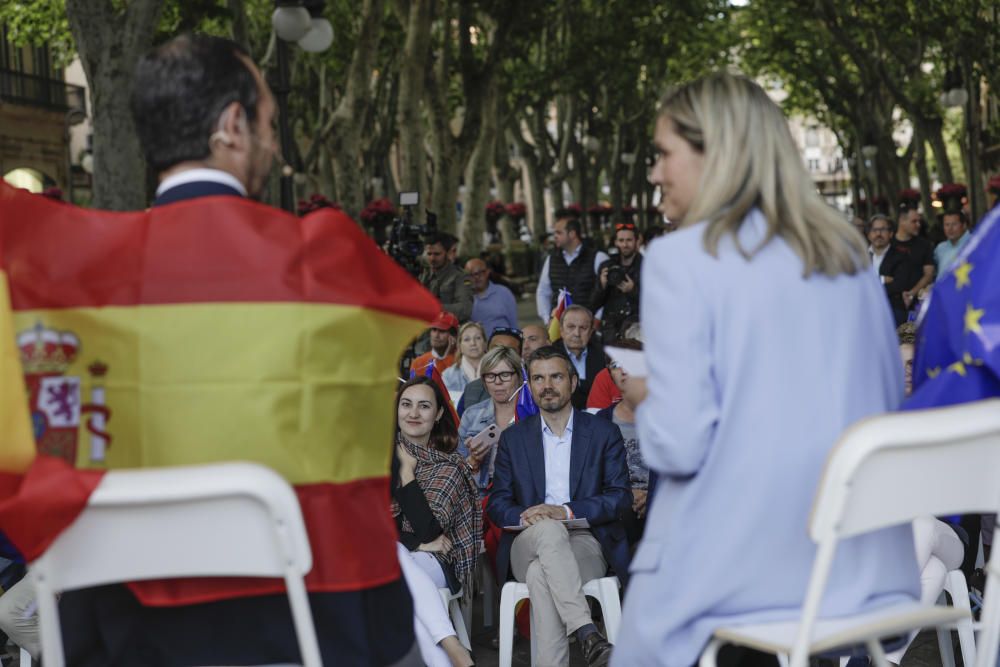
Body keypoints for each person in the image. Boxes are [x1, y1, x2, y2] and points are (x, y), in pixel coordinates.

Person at [49, 33, 420, 666]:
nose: (275, 147)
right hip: (304, 632)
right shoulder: (322, 269)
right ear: (231, 126)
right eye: (270, 123)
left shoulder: (69, 291)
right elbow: (364, 473)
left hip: (122, 642)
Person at [613, 73, 919, 667]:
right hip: (862, 575)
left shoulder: (680, 257)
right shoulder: (847, 256)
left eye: (663, 155)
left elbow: (677, 448)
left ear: (715, 154)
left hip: (737, 581)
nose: (653, 174)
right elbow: (881, 404)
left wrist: (650, 394)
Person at [487, 346, 630, 667]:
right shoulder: (514, 438)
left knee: (541, 576)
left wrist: (564, 511)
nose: (546, 385)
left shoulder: (603, 433)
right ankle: (587, 633)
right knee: (547, 532)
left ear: (573, 381)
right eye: (538, 378)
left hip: (585, 540)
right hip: (528, 540)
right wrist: (527, 514)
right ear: (530, 384)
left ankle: (583, 639)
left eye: (555, 376)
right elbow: (498, 502)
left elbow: (620, 496)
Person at [392, 377, 480, 667]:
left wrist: (407, 475)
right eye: (406, 405)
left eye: (424, 406)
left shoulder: (449, 467)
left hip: (435, 563)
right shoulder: (371, 461)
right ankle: (450, 647)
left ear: (439, 414)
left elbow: (430, 529)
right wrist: (413, 542)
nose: (413, 413)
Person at [595, 339, 649, 545]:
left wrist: (650, 496)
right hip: (618, 505)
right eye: (616, 365)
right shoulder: (601, 421)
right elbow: (595, 473)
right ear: (610, 374)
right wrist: (625, 495)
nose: (624, 370)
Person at [456, 345, 524, 494]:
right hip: (480, 495)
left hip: (523, 496)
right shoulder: (471, 415)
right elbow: (456, 473)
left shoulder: (532, 414)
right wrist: (474, 461)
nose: (497, 382)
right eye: (490, 376)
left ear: (518, 376)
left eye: (505, 374)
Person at [536, 215, 609, 324]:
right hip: (559, 328)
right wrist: (547, 319)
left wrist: (597, 318)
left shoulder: (598, 257)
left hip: (589, 327)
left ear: (572, 234)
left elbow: (608, 293)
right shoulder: (551, 259)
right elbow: (543, 292)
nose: (554, 236)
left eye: (559, 233)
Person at [880, 204, 935, 325]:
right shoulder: (887, 244)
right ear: (902, 221)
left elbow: (929, 274)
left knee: (910, 340)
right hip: (889, 306)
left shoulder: (924, 245)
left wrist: (912, 293)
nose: (918, 225)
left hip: (916, 305)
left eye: (919, 221)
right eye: (914, 221)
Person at [591, 222, 642, 342]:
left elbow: (655, 303)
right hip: (610, 331)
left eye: (629, 240)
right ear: (616, 242)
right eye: (621, 240)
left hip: (637, 330)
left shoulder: (647, 266)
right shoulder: (607, 266)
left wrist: (633, 290)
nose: (625, 244)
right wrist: (601, 286)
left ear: (636, 241)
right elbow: (593, 305)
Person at [455, 326, 523, 416]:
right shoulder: (471, 390)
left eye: (509, 351)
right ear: (487, 352)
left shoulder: (531, 392)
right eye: (496, 349)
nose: (501, 355)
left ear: (520, 356)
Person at [555, 305, 604, 410]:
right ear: (561, 330)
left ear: (591, 332)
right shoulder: (550, 356)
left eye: (583, 328)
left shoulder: (603, 354)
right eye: (571, 327)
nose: (577, 333)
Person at [421, 233, 473, 322]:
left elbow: (465, 310)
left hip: (447, 330)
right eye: (429, 254)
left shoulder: (461, 276)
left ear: (448, 253)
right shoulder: (422, 274)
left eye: (437, 254)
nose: (432, 258)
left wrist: (432, 307)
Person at [465, 258, 518, 337]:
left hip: (503, 345)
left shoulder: (503, 292)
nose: (477, 277)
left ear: (487, 272)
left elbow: (514, 324)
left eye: (480, 273)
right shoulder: (464, 298)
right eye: (471, 274)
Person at [442, 321, 486, 396]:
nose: (473, 343)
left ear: (485, 343)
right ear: (459, 346)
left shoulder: (496, 371)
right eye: (467, 339)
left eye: (478, 338)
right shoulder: (448, 375)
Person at [411, 311, 459, 376]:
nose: (436, 335)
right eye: (434, 329)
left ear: (453, 336)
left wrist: (447, 356)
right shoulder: (418, 363)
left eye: (442, 331)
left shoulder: (462, 361)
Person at [934, 210, 971, 279]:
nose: (950, 229)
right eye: (947, 225)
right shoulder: (940, 248)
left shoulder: (973, 244)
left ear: (964, 225)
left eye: (954, 224)